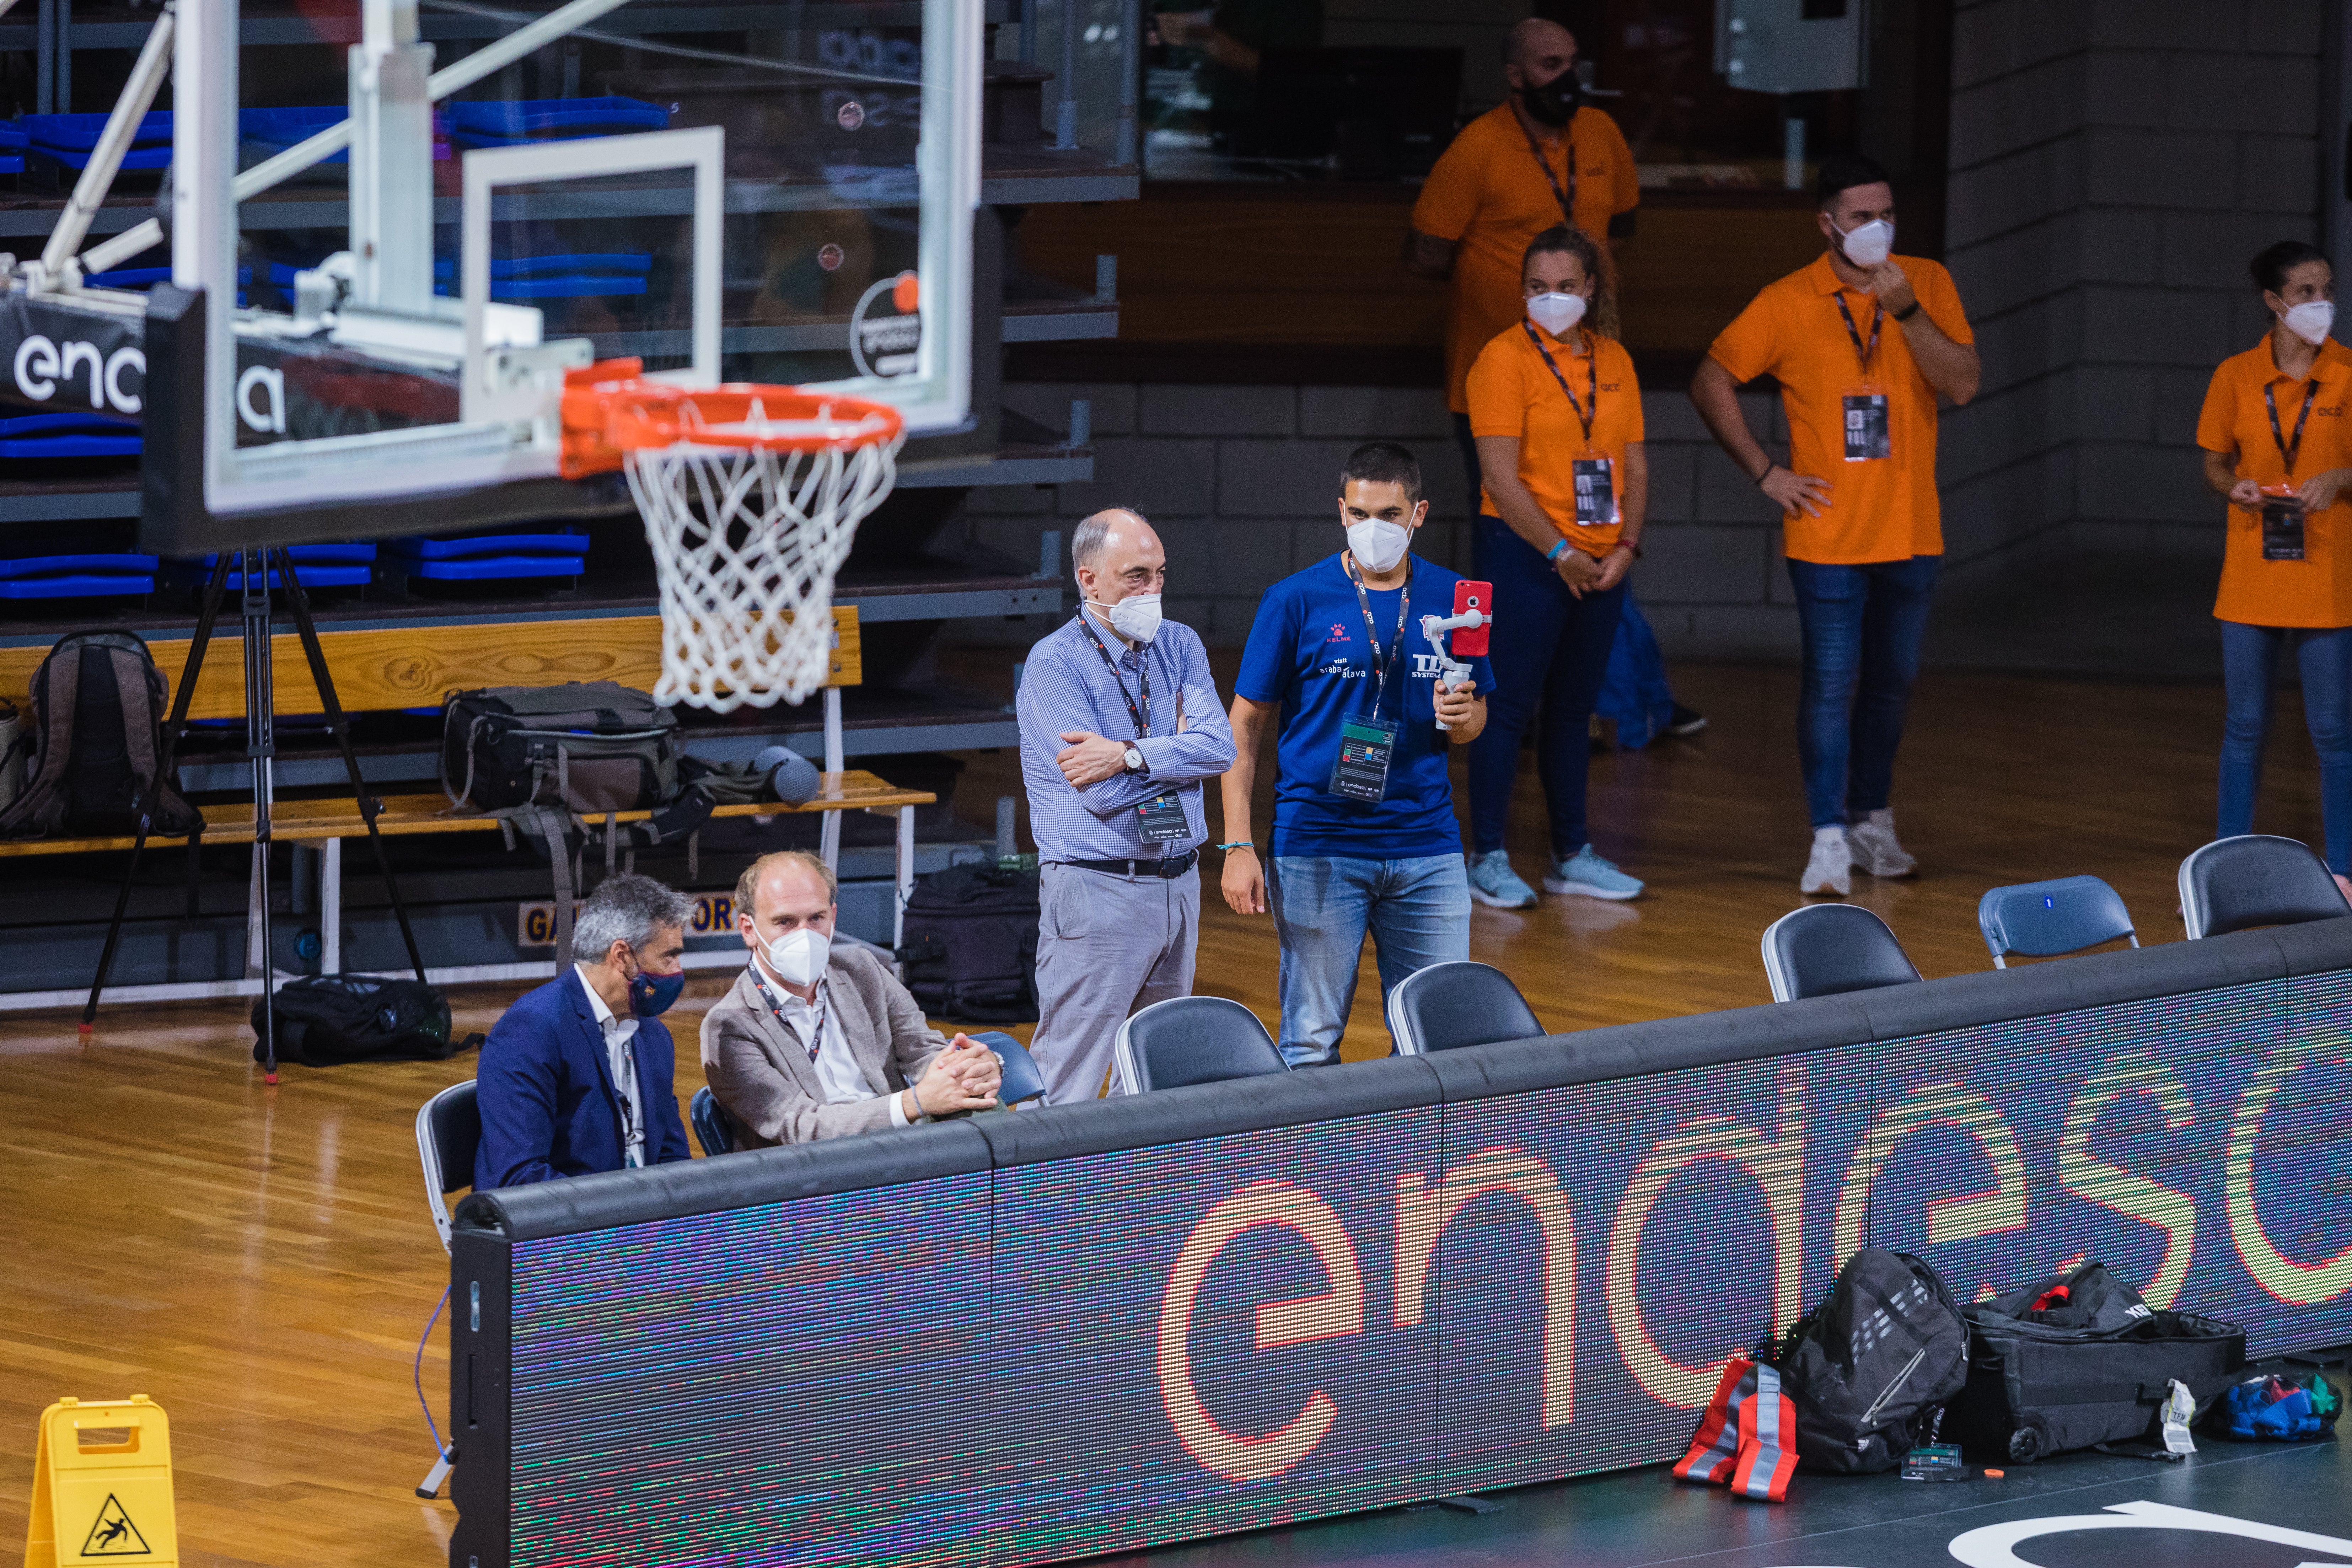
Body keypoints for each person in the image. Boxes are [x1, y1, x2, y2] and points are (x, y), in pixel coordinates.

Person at [1688, 152, 1978, 896]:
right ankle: (1825, 836)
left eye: (1886, 214)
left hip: (1912, 526)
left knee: (1893, 682)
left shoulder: (1929, 282)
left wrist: (1907, 309)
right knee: (1830, 682)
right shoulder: (1787, 300)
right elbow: (1712, 377)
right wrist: (1765, 471)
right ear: (1828, 225)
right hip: (1827, 534)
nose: (1877, 228)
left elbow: (1965, 384)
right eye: (1861, 217)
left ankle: (1871, 821)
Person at [1221, 442, 1493, 1066]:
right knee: (1311, 1040)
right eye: (1361, 513)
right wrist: (1238, 846)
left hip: (1427, 846)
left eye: (1390, 515)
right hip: (1319, 843)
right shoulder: (1294, 600)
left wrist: (1463, 716)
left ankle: (1418, 1164)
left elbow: (1477, 719)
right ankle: (1313, 1165)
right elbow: (1243, 726)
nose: (1375, 529)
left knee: (1438, 1038)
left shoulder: (1459, 600)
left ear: (1418, 513)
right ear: (1341, 511)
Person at [1016, 508, 1235, 1102]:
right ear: (1089, 580)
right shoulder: (1054, 664)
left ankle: (1128, 1197)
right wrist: (1174, 756)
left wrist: (1128, 753)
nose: (1153, 590)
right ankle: (1047, 1196)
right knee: (1071, 1076)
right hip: (1097, 890)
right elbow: (1103, 794)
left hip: (1178, 882)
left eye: (1160, 574)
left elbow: (1219, 746)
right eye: (1136, 576)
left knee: (1155, 1074)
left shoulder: (1181, 643)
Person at [1462, 224, 1647, 908]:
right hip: (1525, 552)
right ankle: (1486, 855)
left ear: (1590, 288)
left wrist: (1625, 546)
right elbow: (1500, 479)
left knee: (1573, 710)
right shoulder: (1501, 360)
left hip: (1601, 559)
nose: (1552, 299)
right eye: (1537, 288)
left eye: (1566, 287)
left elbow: (1633, 465)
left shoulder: (1615, 361)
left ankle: (1572, 853)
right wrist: (1558, 553)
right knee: (1503, 706)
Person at [1407, 17, 1639, 511]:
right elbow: (1426, 254)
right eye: (1550, 65)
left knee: (1593, 507)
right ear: (1515, 75)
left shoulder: (1602, 133)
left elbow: (1619, 231)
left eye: (1572, 63)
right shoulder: (1476, 148)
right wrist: (1496, 283)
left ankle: (1590, 582)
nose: (1567, 77)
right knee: (1503, 510)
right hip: (1501, 375)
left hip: (1590, 371)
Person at [2195, 241, 2352, 900]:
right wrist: (2233, 486)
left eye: (2326, 289)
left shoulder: (2347, 372)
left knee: (2334, 730)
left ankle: (2343, 869)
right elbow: (2212, 462)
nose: (2320, 304)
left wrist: (2341, 477)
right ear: (2273, 302)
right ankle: (2225, 862)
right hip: (2252, 578)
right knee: (2244, 727)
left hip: (2327, 579)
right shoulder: (2235, 375)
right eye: (2305, 293)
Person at [700, 850, 1003, 1143]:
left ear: (833, 916)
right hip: (815, 1173)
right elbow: (802, 1128)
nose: (804, 934)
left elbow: (922, 1051)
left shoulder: (863, 970)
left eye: (816, 918)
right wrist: (914, 1103)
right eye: (785, 922)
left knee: (981, 1106)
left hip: (899, 1143)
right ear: (748, 930)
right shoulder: (730, 1026)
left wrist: (970, 1068)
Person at [473, 873, 694, 1188]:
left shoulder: (653, 1036)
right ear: (622, 956)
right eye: (669, 956)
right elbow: (520, 1177)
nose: (677, 971)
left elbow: (672, 1157)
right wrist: (619, 1219)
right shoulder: (530, 1032)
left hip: (639, 1224)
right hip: (558, 1227)